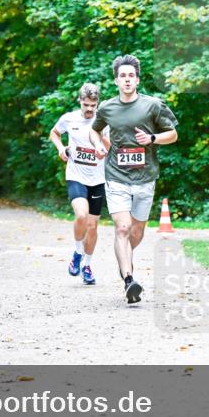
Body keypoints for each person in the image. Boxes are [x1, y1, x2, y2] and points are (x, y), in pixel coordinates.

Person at [89, 54, 178, 304]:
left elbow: (172, 134)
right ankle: (129, 280)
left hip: (145, 177)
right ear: (116, 80)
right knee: (123, 227)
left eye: (131, 76)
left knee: (137, 231)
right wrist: (98, 146)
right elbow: (94, 131)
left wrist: (152, 139)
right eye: (122, 76)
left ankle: (124, 258)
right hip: (116, 176)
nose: (127, 80)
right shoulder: (107, 107)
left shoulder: (153, 105)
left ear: (137, 80)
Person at [48, 83, 111, 285]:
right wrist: (60, 148)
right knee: (81, 215)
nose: (89, 109)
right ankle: (77, 252)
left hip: (97, 179)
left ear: (98, 103)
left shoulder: (104, 122)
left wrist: (103, 144)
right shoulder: (69, 118)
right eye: (86, 105)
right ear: (80, 101)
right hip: (76, 176)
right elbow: (54, 133)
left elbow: (111, 147)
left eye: (93, 105)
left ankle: (87, 266)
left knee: (92, 227)